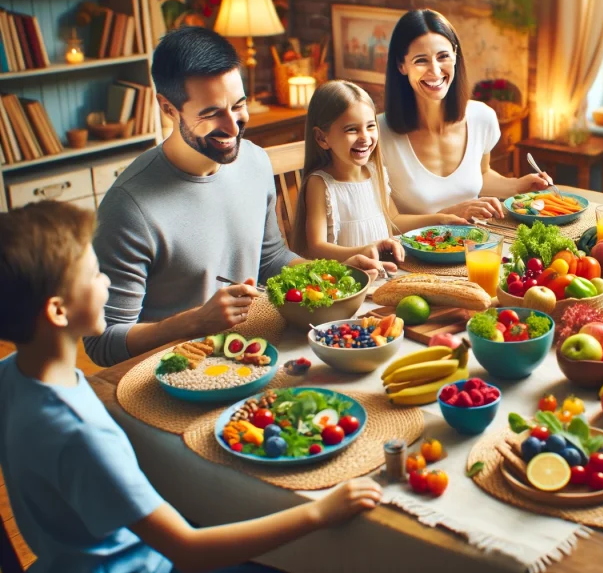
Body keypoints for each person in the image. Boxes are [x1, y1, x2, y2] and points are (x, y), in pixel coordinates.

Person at [0, 201, 383, 573]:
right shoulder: (81, 433)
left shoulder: (12, 374)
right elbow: (187, 551)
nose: (107, 282)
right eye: (95, 274)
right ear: (57, 311)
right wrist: (319, 512)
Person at [84, 27, 381, 368]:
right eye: (211, 114)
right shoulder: (129, 207)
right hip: (168, 373)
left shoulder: (254, 161)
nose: (233, 126)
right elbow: (101, 343)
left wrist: (333, 272)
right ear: (168, 108)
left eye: (238, 105)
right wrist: (194, 321)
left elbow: (270, 261)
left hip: (248, 358)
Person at [378, 9, 552, 221]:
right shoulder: (377, 134)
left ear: (455, 54)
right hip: (411, 253)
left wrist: (517, 185)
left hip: (474, 246)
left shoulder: (481, 118)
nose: (435, 70)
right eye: (421, 60)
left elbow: (481, 175)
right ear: (401, 65)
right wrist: (448, 215)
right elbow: (387, 222)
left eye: (443, 56)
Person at [290, 80, 466, 262]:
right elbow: (317, 247)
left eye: (370, 126)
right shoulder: (320, 184)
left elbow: (394, 219)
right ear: (321, 138)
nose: (365, 137)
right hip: (352, 280)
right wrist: (364, 251)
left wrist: (439, 220)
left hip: (386, 270)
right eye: (352, 129)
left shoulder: (375, 172)